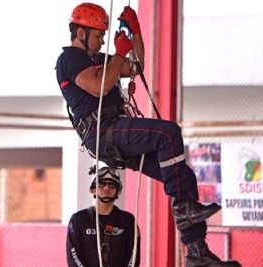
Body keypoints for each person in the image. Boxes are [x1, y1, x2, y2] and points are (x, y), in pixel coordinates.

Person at [56, 3, 241, 266]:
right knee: (167, 134)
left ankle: (197, 253)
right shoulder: (69, 60)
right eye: (98, 35)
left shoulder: (100, 60)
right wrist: (119, 52)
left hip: (115, 132)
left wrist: (136, 32)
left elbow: (136, 67)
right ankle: (186, 212)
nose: (102, 41)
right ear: (81, 33)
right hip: (103, 131)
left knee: (183, 175)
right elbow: (99, 86)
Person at [66, 167, 141, 267]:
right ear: (93, 190)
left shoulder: (128, 221)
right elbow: (73, 256)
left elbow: (134, 256)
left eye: (112, 185)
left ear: (118, 191)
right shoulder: (78, 219)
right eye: (101, 184)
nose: (106, 188)